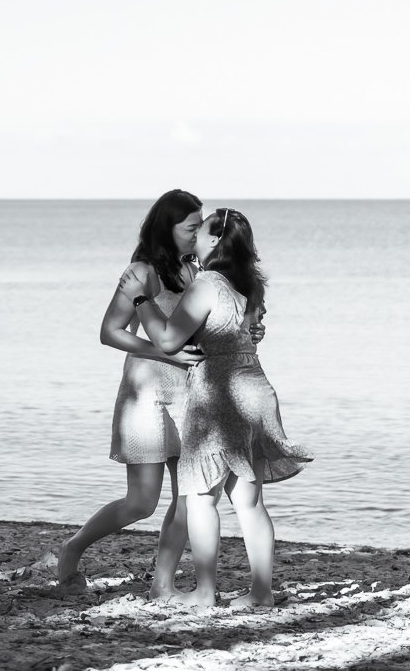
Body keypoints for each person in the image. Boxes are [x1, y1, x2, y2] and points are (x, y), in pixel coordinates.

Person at [57, 191, 265, 597]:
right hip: (148, 393)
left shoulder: (199, 271)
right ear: (166, 228)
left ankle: (162, 585)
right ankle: (72, 548)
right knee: (141, 502)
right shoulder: (141, 272)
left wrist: (251, 328)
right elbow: (110, 332)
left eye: (199, 225)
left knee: (190, 499)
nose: (198, 234)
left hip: (195, 396)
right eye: (191, 227)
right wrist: (164, 353)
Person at [119, 207, 311, 609]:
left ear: (215, 240)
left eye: (202, 233)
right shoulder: (251, 284)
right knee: (250, 502)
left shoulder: (207, 283)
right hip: (257, 391)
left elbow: (169, 340)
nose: (195, 242)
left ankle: (205, 591)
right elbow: (249, 334)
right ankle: (261, 592)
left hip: (219, 398)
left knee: (200, 498)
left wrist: (141, 297)